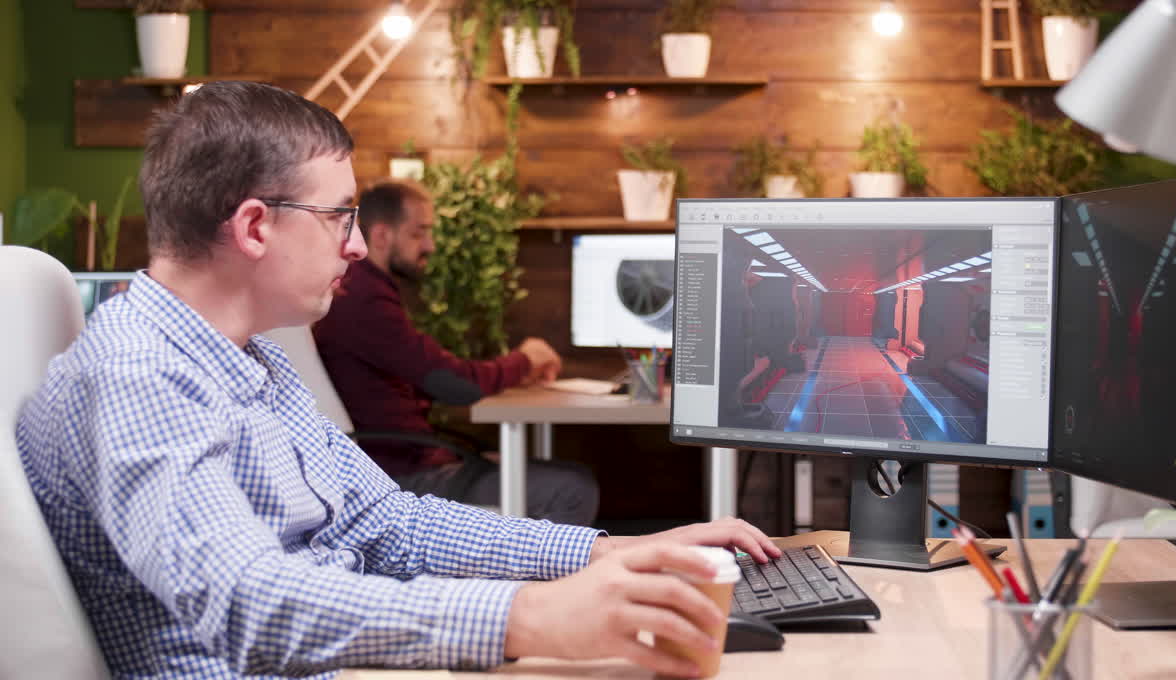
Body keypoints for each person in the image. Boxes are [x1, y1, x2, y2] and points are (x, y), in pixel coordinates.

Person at [15, 81, 781, 679]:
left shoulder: (254, 360)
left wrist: (607, 554)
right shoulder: (138, 374)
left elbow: (392, 524)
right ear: (255, 227)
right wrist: (532, 618)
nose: (354, 247)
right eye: (339, 216)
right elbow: (250, 602)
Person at [312, 179, 598, 525]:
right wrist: (525, 359)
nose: (429, 245)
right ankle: (542, 581)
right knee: (572, 487)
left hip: (406, 462)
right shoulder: (365, 302)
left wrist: (465, 456)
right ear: (383, 235)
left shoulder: (367, 292)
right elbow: (455, 383)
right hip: (397, 480)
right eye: (419, 233)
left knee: (544, 472)